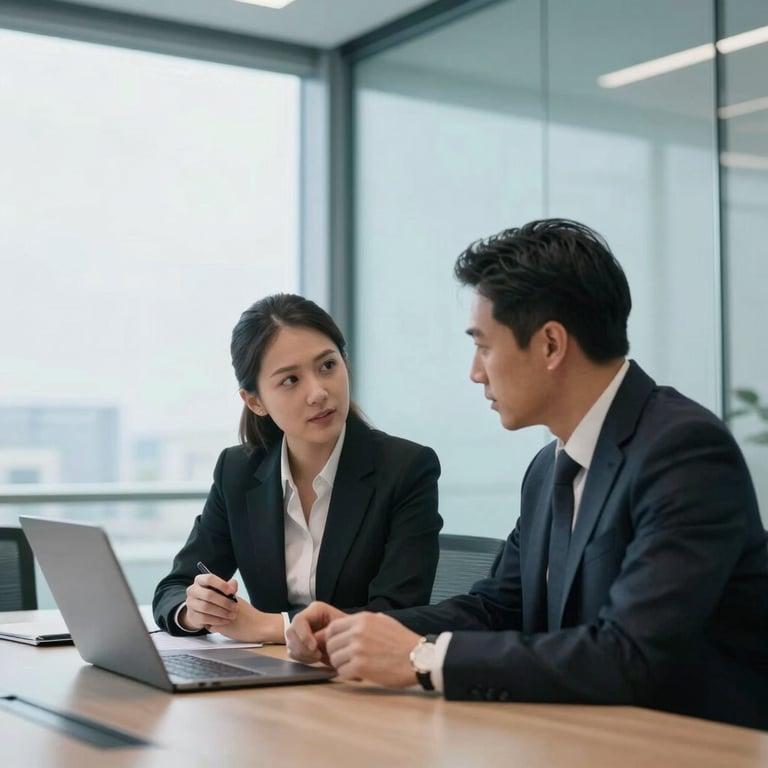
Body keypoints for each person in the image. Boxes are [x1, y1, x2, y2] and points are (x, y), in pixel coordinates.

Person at [286, 219, 768, 730]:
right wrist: (362, 630)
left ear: (551, 345)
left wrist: (423, 659)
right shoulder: (548, 468)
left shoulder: (683, 452)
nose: (476, 371)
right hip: (578, 736)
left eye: (484, 346)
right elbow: (499, 607)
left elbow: (630, 654)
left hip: (690, 746)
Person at [153, 293, 443, 644]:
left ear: (345, 363)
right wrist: (193, 609)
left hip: (359, 679)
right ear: (255, 401)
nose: (318, 392)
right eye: (290, 380)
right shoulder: (238, 471)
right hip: (268, 678)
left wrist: (274, 627)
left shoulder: (406, 469)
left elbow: (400, 612)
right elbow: (174, 587)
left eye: (327, 366)